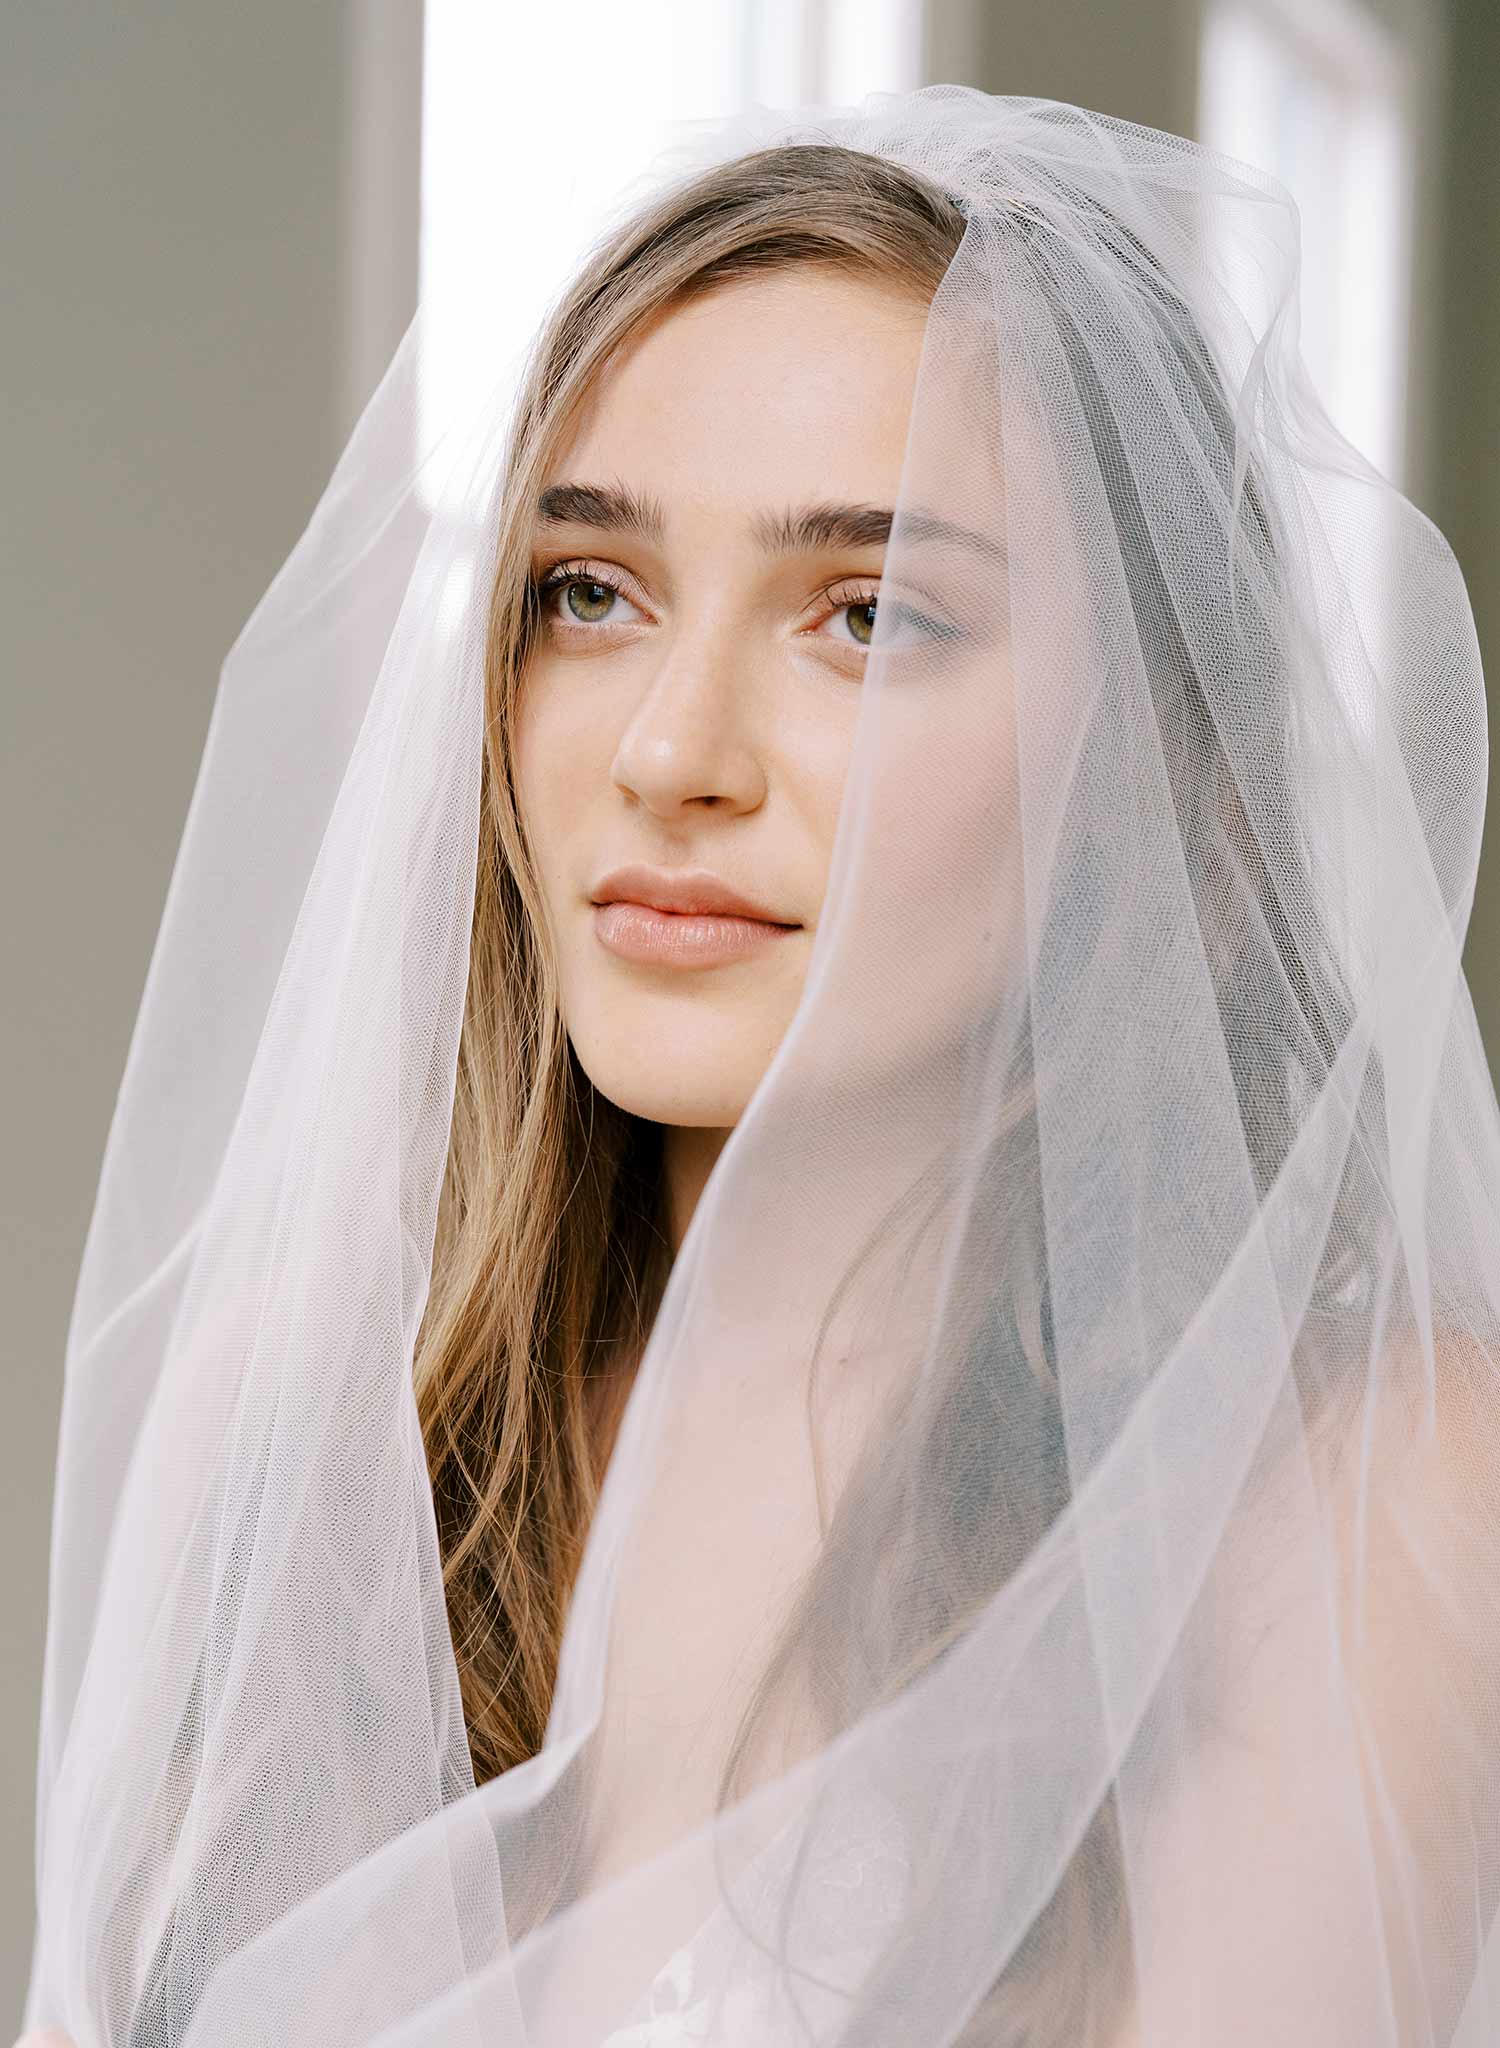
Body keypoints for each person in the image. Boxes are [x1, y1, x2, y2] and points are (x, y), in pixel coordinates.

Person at [19, 84, 1500, 2047]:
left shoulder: (1357, 1490)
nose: (668, 749)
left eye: (871, 615)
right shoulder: (306, 1408)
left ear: (1168, 781)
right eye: (591, 593)